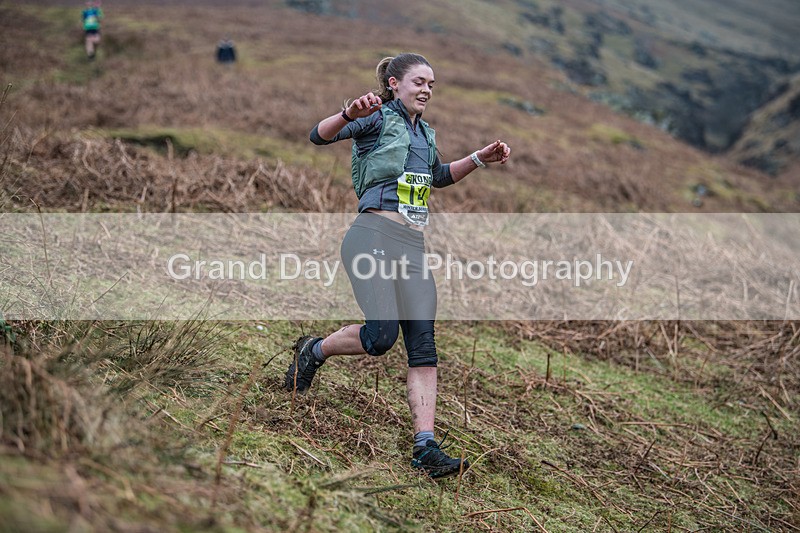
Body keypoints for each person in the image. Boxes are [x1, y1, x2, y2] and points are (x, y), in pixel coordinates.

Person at [285, 53, 511, 479]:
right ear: (394, 83)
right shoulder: (374, 117)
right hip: (372, 237)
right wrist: (347, 112)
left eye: (432, 84)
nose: (426, 89)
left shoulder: (424, 132)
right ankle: (312, 350)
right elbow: (318, 136)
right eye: (419, 81)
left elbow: (438, 176)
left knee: (423, 348)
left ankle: (425, 447)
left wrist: (479, 158)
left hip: (412, 248)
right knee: (381, 337)